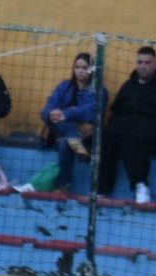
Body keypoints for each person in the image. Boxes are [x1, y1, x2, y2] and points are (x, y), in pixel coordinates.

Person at [97, 45, 156, 204]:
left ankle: (141, 186)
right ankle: (103, 188)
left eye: (147, 62)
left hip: (148, 135)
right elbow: (115, 111)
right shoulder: (128, 86)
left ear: (155, 64)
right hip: (124, 131)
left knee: (138, 136)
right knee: (108, 135)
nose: (143, 66)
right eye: (139, 62)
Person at [40, 51, 99, 189]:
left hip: (84, 133)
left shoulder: (97, 91)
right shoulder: (64, 87)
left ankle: (62, 186)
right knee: (64, 128)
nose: (80, 71)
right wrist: (51, 114)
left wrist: (66, 114)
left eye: (84, 68)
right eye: (77, 67)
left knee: (65, 142)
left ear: (92, 70)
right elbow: (47, 108)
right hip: (57, 127)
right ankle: (74, 141)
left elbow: (91, 112)